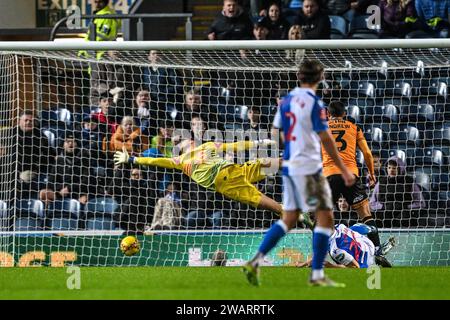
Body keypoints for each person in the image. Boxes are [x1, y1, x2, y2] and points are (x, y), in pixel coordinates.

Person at [243, 60, 355, 287]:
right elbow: (325, 138)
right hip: (309, 167)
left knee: (290, 218)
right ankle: (316, 275)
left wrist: (290, 144)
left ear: (299, 76)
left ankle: (255, 261)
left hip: (290, 165)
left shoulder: (286, 101)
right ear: (320, 77)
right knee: (325, 218)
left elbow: (275, 133)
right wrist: (343, 169)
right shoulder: (314, 103)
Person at [114, 139, 285, 216]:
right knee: (257, 196)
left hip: (232, 171)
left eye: (186, 140)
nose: (186, 141)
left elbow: (234, 146)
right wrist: (132, 159)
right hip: (222, 179)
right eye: (182, 142)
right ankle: (286, 211)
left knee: (269, 163)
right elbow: (154, 160)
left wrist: (258, 143)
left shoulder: (204, 147)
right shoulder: (180, 160)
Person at [321, 100, 390, 264]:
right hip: (350, 174)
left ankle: (322, 255)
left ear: (329, 115)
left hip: (329, 175)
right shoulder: (354, 127)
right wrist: (372, 173)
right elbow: (367, 153)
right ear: (344, 114)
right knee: (366, 214)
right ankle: (377, 249)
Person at [296, 223, 396, 268]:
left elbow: (355, 267)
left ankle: (374, 260)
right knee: (355, 228)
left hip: (365, 264)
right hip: (367, 244)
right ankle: (376, 251)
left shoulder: (335, 250)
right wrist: (304, 263)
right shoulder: (339, 226)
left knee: (341, 256)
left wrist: (329, 265)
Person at [370, 156, 426, 226]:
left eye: (394, 168)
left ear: (400, 169)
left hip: (404, 214)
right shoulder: (381, 182)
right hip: (385, 213)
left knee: (404, 218)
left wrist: (406, 206)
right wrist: (383, 206)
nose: (391, 170)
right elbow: (372, 203)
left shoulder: (409, 182)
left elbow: (421, 203)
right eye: (389, 168)